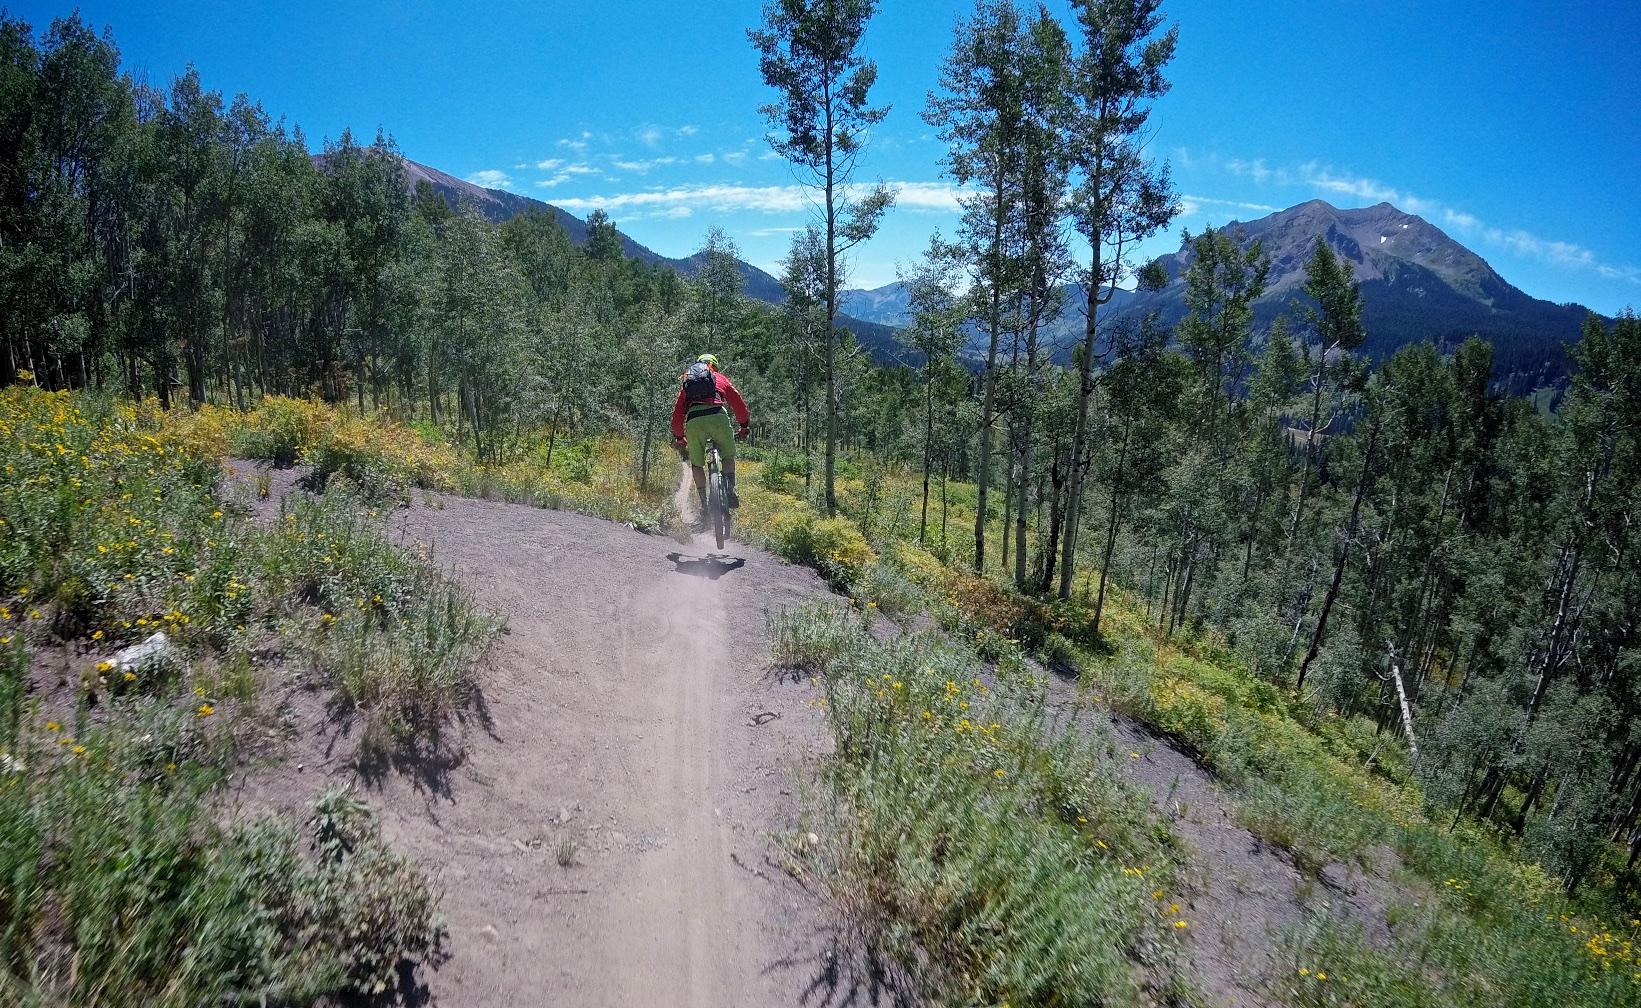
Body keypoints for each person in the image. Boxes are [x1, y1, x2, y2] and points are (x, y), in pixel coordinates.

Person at [671, 353, 749, 525]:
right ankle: (730, 487)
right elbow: (738, 403)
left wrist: (679, 437)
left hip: (694, 422)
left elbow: (677, 415)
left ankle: (704, 504)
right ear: (715, 366)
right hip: (717, 417)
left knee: (697, 465)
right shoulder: (720, 378)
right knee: (728, 456)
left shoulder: (688, 382)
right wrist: (744, 426)